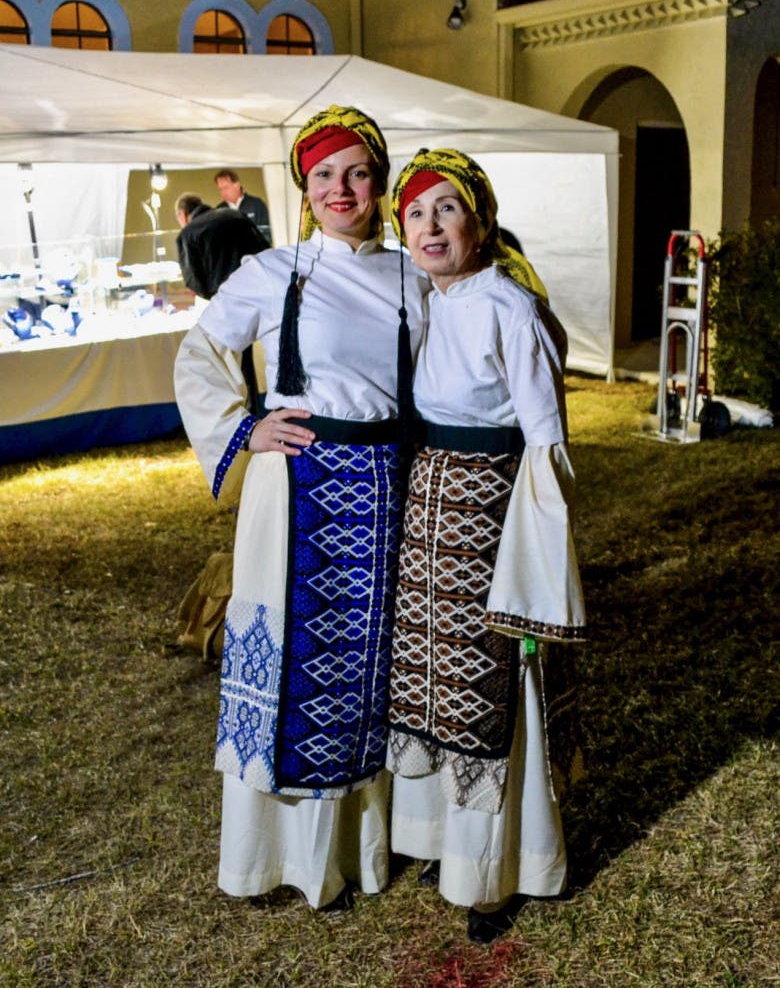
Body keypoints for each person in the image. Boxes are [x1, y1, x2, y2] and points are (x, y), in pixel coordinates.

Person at [174, 106, 427, 910]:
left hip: (387, 492)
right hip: (297, 490)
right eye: (323, 175)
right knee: (292, 666)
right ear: (304, 188)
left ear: (379, 182)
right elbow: (200, 352)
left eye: (357, 172)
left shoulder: (414, 277)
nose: (340, 189)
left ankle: (362, 851)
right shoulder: (275, 271)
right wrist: (245, 429)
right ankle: (284, 860)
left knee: (372, 671)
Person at [385, 148, 585, 944]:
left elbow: (545, 441)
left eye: (447, 208)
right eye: (416, 212)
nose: (430, 226)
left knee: (489, 688)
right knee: (433, 687)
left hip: (491, 519)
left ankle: (496, 872)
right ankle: (443, 842)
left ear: (481, 221)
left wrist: (533, 557)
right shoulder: (429, 303)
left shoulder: (510, 306)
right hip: (429, 518)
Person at [175, 193, 269, 302]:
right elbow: (264, 248)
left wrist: (217, 298)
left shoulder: (188, 234)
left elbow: (194, 282)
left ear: (182, 214)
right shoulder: (236, 214)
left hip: (229, 298)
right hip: (259, 287)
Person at [214, 168, 272, 240]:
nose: (223, 192)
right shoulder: (218, 211)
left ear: (237, 185)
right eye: (220, 189)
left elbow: (266, 234)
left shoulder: (257, 204)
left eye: (226, 188)